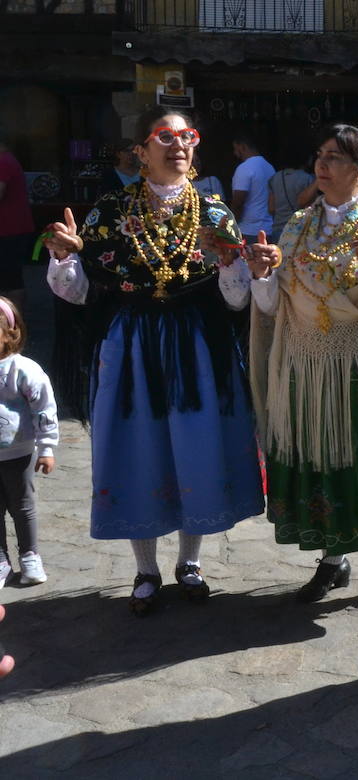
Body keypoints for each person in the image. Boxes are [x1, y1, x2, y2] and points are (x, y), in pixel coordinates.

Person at [44, 108, 263, 616]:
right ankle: (146, 568)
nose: (178, 145)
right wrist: (65, 258)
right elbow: (79, 294)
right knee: (137, 448)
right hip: (132, 346)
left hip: (198, 349)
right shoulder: (108, 211)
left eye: (187, 136)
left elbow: (234, 302)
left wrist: (234, 265)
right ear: (141, 151)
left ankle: (190, 563)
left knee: (194, 447)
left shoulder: (214, 213)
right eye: (165, 136)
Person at [246, 124, 358, 612]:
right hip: (308, 367)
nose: (322, 167)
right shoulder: (297, 226)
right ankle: (334, 558)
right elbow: (269, 308)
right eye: (320, 156)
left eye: (335, 158)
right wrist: (263, 274)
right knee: (322, 458)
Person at [0, 296, 56, 586]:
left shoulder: (24, 370)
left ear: (10, 333)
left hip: (19, 452)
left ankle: (30, 555)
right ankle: (1, 560)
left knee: (22, 506)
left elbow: (44, 409)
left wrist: (46, 448)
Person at [0, 140, 33, 312]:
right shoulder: (7, 160)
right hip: (11, 230)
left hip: (9, 231)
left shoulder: (3, 162)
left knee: (11, 281)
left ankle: (16, 328)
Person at [230, 133, 276, 240]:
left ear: (242, 147)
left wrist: (231, 225)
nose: (235, 153)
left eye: (236, 149)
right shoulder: (270, 167)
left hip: (248, 230)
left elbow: (238, 202)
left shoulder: (244, 168)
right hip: (269, 229)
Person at [266, 155, 315, 243]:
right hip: (299, 230)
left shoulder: (275, 178)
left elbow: (271, 208)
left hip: (278, 230)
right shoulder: (307, 178)